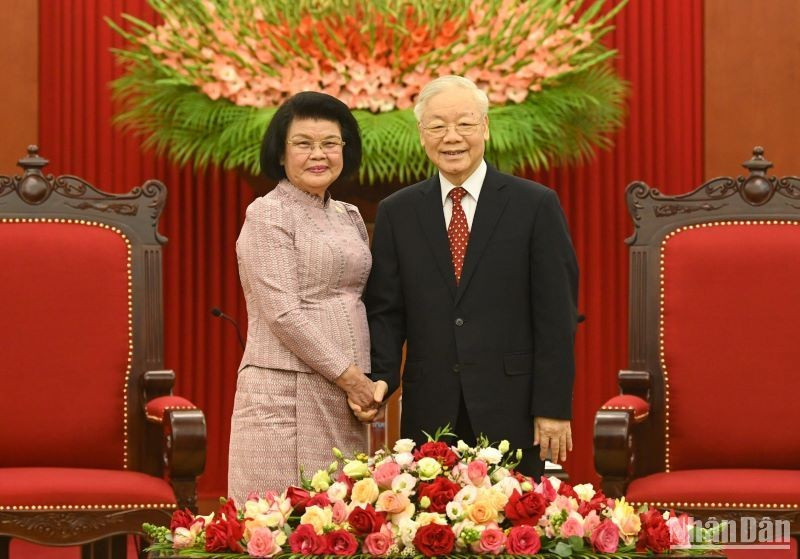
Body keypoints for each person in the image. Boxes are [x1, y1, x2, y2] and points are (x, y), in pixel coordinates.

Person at [360, 75, 579, 479]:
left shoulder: (534, 205)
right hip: (430, 410)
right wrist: (381, 378)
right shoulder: (398, 212)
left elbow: (556, 316)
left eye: (464, 123)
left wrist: (552, 406)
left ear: (486, 128)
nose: (452, 137)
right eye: (438, 125)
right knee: (430, 533)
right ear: (422, 135)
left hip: (513, 408)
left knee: (514, 535)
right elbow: (386, 311)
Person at [229, 91, 380, 504]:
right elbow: (282, 314)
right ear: (281, 153)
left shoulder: (348, 215)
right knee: (277, 530)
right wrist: (352, 379)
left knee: (342, 529)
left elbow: (358, 302)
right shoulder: (268, 213)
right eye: (304, 143)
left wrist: (365, 383)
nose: (319, 154)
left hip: (343, 397)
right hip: (284, 397)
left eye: (330, 143)